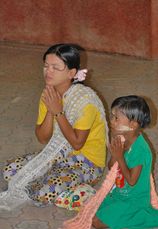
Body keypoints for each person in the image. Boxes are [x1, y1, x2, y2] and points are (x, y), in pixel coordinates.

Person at [0, 43, 108, 210]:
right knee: (10, 170)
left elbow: (77, 144)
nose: (48, 71)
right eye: (46, 66)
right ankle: (57, 181)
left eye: (55, 67)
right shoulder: (49, 95)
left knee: (43, 192)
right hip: (58, 155)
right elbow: (43, 138)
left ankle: (81, 190)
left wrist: (58, 112)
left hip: (87, 163)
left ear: (71, 73)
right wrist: (51, 110)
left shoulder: (85, 102)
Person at [61, 95, 158, 229]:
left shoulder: (141, 150)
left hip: (134, 200)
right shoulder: (122, 139)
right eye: (112, 116)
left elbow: (131, 180)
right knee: (89, 210)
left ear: (133, 125)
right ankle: (123, 213)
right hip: (119, 194)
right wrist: (115, 154)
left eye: (116, 118)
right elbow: (111, 166)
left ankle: (142, 215)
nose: (111, 121)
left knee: (97, 222)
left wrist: (120, 157)